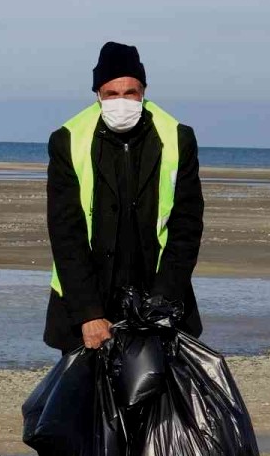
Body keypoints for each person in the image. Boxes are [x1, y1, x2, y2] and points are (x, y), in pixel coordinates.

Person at [43, 41, 205, 354]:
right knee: (84, 401)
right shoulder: (68, 139)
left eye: (130, 93)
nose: (122, 102)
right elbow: (66, 233)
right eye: (112, 94)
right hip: (88, 303)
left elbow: (187, 226)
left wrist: (164, 301)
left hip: (160, 297)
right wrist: (89, 314)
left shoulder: (177, 136)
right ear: (97, 95)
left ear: (143, 91)